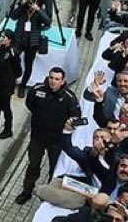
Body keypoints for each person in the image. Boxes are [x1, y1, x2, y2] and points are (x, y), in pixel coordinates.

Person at [16, 68, 80, 205]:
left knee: (54, 169)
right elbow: (30, 105)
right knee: (33, 166)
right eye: (51, 78)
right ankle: (26, 191)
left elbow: (76, 116)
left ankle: (49, 196)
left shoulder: (69, 97)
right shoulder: (37, 90)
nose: (53, 81)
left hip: (57, 141)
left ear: (63, 81)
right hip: (37, 138)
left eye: (57, 79)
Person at [9, 0, 51, 96]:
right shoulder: (22, 8)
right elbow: (13, 16)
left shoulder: (39, 9)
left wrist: (38, 10)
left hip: (32, 42)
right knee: (13, 59)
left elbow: (47, 22)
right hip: (19, 39)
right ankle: (12, 80)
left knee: (29, 65)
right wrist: (21, 4)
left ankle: (23, 86)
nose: (30, 1)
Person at [0, 29, 21, 139]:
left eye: (4, 37)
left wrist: (9, 77)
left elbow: (18, 71)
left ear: (10, 40)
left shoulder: (12, 53)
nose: (1, 38)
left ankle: (8, 129)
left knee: (5, 106)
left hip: (6, 83)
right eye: (1, 36)